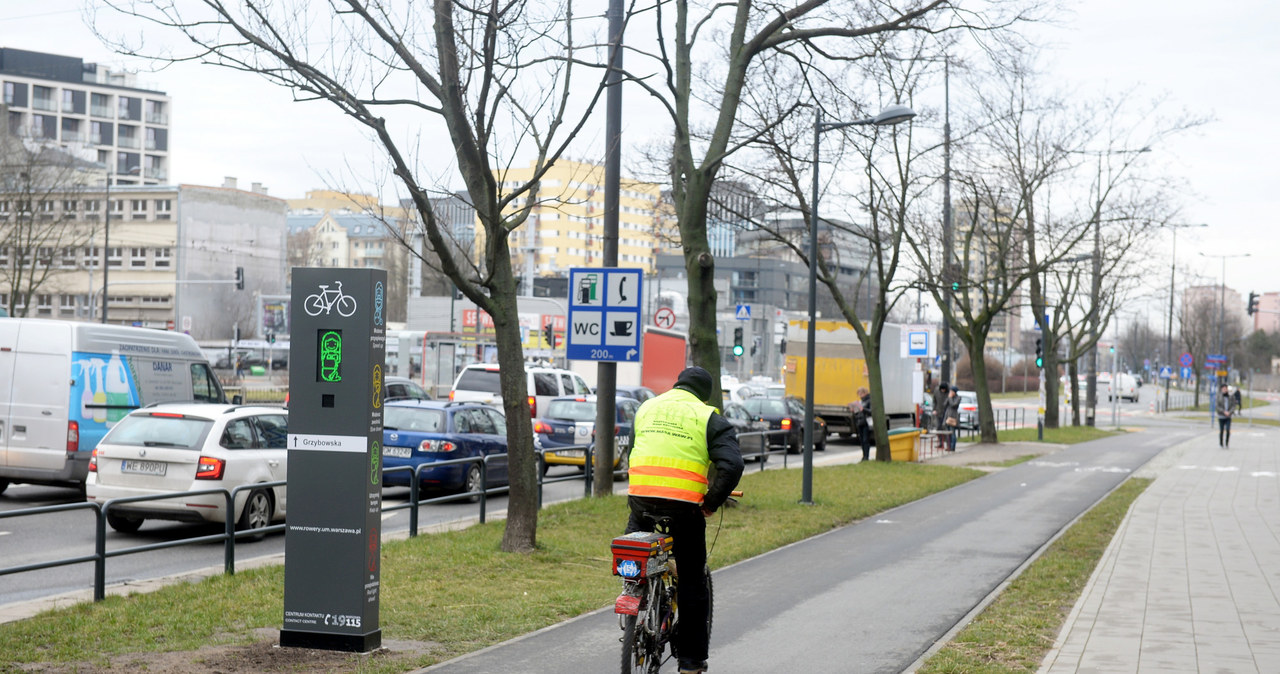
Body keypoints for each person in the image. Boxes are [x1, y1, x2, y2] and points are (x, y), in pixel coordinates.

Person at [626, 366, 744, 674]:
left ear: (677, 384)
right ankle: (691, 663)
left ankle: (637, 593)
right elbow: (731, 465)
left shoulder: (646, 407)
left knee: (635, 558)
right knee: (693, 580)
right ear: (704, 394)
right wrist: (711, 501)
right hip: (684, 508)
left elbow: (634, 450)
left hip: (641, 499)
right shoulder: (708, 417)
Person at [854, 386, 873, 461]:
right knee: (861, 440)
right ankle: (863, 455)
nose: (860, 395)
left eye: (861, 393)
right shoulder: (861, 401)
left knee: (865, 440)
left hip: (866, 423)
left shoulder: (869, 400)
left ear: (865, 393)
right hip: (860, 422)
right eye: (858, 394)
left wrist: (863, 409)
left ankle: (866, 456)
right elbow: (858, 412)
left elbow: (871, 411)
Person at [1217, 383, 1236, 448]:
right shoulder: (1219, 396)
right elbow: (1217, 406)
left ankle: (1227, 443)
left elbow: (1234, 405)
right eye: (1223, 388)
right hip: (1221, 416)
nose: (1225, 390)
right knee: (1221, 430)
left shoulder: (1231, 395)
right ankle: (1221, 443)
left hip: (1228, 416)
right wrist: (1223, 411)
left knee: (1228, 430)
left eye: (1226, 388)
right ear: (1221, 389)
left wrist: (1229, 412)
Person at [943, 385, 961, 451]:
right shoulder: (949, 397)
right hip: (947, 415)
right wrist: (948, 398)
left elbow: (953, 405)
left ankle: (953, 447)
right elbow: (944, 404)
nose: (950, 392)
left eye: (951, 391)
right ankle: (949, 446)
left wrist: (950, 398)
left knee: (952, 432)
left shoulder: (958, 398)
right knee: (948, 433)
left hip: (953, 416)